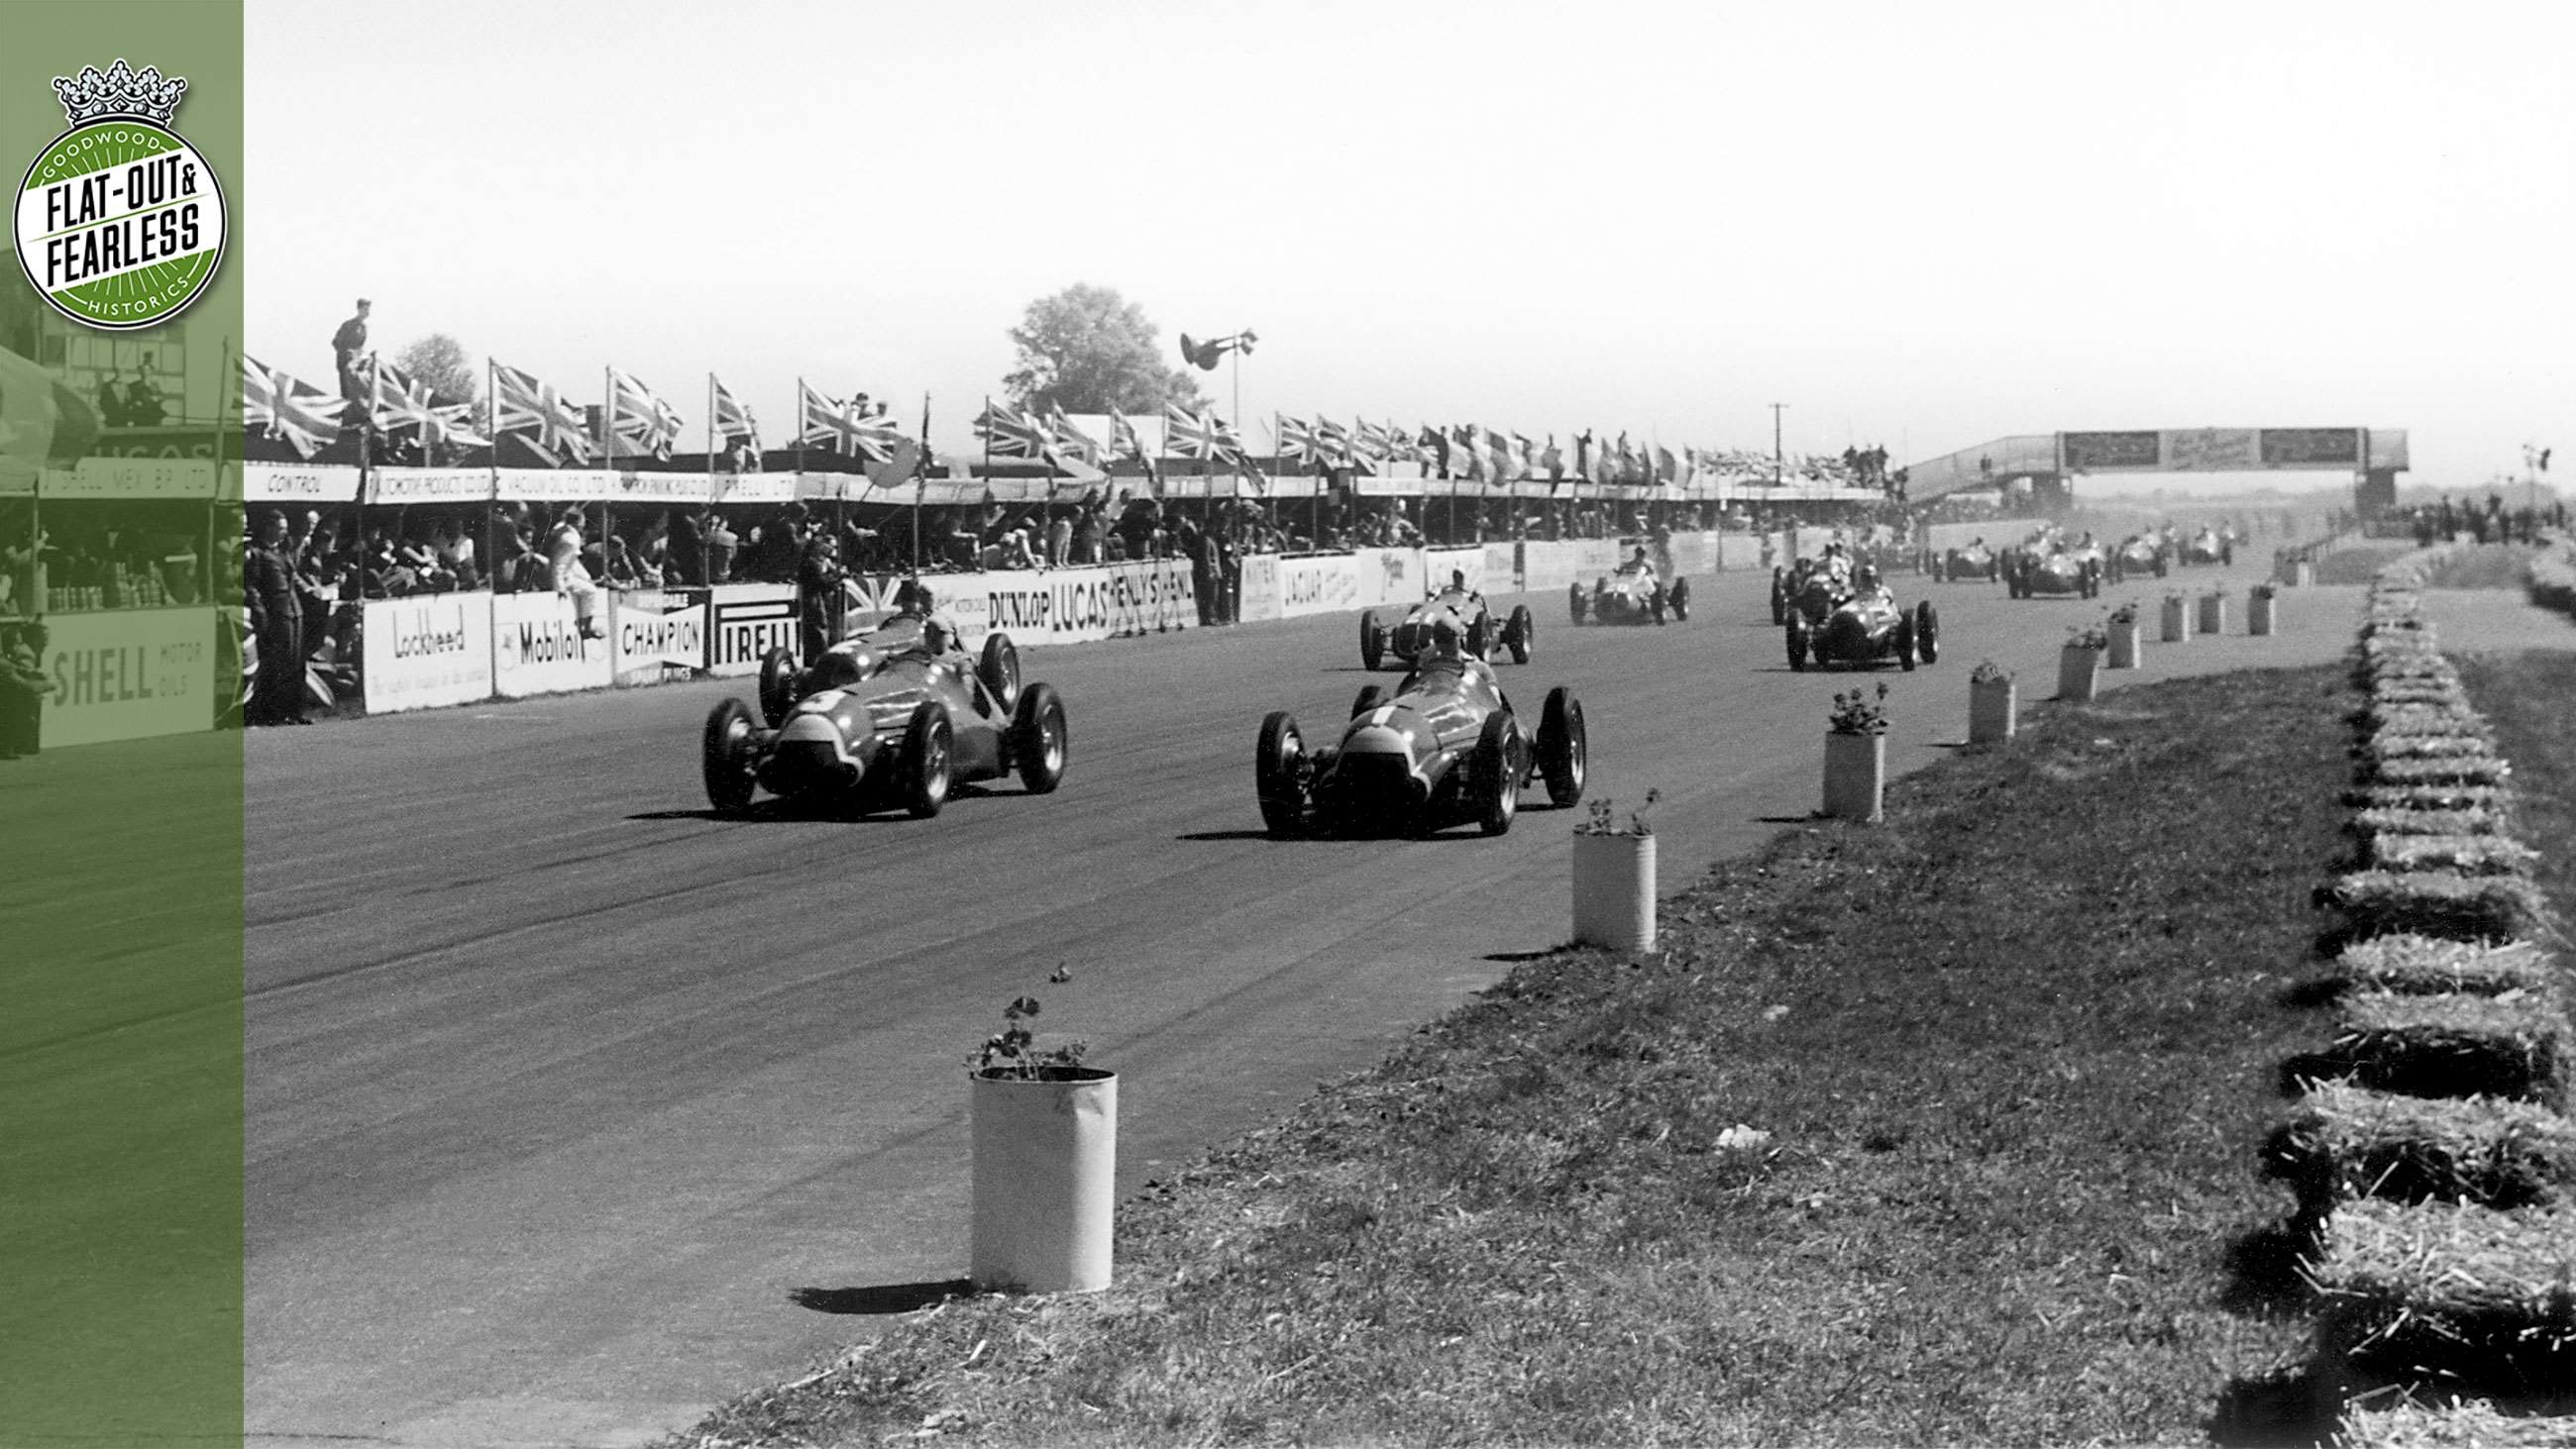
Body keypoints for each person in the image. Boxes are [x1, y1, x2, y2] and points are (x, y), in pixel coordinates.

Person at [245, 510, 307, 725]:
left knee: (297, 662)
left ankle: (295, 709)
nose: (284, 532)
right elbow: (252, 586)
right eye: (281, 528)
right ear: (268, 528)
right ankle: (277, 712)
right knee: (281, 662)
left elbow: (293, 578)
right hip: (276, 612)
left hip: (293, 609)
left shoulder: (283, 552)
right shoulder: (257, 552)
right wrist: (260, 612)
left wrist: (308, 591)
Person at [546, 504, 603, 639]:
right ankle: (585, 627)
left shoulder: (563, 531)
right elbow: (559, 564)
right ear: (579, 521)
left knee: (589, 585)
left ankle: (585, 624)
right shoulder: (570, 539)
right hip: (562, 578)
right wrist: (559, 587)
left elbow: (573, 561)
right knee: (591, 591)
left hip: (566, 574)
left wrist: (586, 577)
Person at [0, 618, 53, 758]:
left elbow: (17, 672)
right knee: (16, 698)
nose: (21, 647)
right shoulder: (4, 664)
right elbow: (24, 685)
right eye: (17, 643)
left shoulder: (9, 661)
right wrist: (46, 685)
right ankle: (7, 746)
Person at [333, 298, 372, 403]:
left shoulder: (364, 328)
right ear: (358, 309)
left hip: (355, 364)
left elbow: (360, 346)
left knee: (355, 392)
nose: (367, 312)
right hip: (344, 361)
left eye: (368, 309)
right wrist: (346, 353)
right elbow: (336, 342)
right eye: (365, 309)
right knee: (345, 392)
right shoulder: (348, 325)